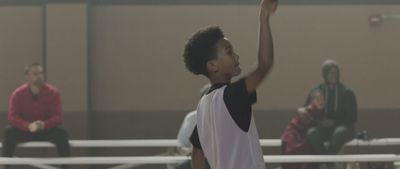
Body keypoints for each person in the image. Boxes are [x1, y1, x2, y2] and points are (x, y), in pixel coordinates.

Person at [182, 0, 278, 168]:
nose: (236, 56)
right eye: (229, 52)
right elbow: (264, 65)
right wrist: (264, 18)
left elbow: (197, 152)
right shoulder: (232, 96)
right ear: (213, 65)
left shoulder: (203, 106)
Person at [2, 62, 71, 162]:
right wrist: (28, 126)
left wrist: (43, 125)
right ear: (27, 76)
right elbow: (12, 117)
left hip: (46, 130)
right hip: (25, 131)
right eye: (35, 74)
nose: (39, 76)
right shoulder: (17, 94)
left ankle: (66, 166)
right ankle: (4, 166)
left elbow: (58, 117)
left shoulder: (53, 92)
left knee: (62, 133)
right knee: (8, 132)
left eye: (41, 73)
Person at [305, 59, 358, 155]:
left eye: (336, 73)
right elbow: (307, 112)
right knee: (312, 133)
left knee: (338, 133)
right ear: (324, 74)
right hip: (323, 127)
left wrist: (334, 122)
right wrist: (319, 122)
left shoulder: (347, 92)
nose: (334, 75)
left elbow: (352, 117)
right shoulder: (317, 91)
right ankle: (329, 163)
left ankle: (326, 163)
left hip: (344, 127)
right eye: (331, 73)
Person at [281, 89, 325, 169]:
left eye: (322, 99)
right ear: (312, 100)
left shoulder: (320, 111)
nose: (321, 101)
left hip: (302, 134)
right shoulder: (309, 109)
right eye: (318, 99)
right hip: (293, 133)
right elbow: (307, 122)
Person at [175, 84, 211, 169]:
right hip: (193, 159)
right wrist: (190, 151)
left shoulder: (225, 118)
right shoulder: (191, 118)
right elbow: (180, 147)